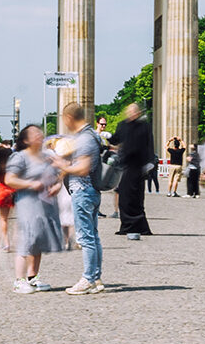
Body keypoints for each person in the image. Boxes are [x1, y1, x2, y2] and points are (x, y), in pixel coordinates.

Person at [3, 124, 66, 292]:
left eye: (40, 133)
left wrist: (58, 185)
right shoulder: (20, 157)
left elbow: (58, 175)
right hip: (28, 204)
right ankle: (19, 280)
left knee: (38, 240)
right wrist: (30, 183)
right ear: (26, 140)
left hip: (45, 205)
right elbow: (9, 179)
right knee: (26, 240)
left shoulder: (47, 156)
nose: (39, 135)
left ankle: (32, 277)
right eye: (34, 134)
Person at [55, 103, 104, 295]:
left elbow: (83, 168)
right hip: (91, 190)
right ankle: (96, 277)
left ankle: (88, 279)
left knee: (85, 237)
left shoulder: (84, 139)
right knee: (93, 236)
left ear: (68, 118)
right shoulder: (92, 135)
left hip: (83, 190)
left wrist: (63, 165)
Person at [112, 103, 154, 239]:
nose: (131, 114)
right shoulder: (122, 125)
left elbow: (149, 144)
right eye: (129, 111)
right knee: (124, 197)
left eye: (134, 111)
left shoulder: (144, 126)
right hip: (126, 165)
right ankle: (126, 225)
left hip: (138, 166)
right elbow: (115, 139)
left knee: (136, 198)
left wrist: (150, 162)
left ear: (138, 113)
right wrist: (106, 136)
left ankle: (139, 226)